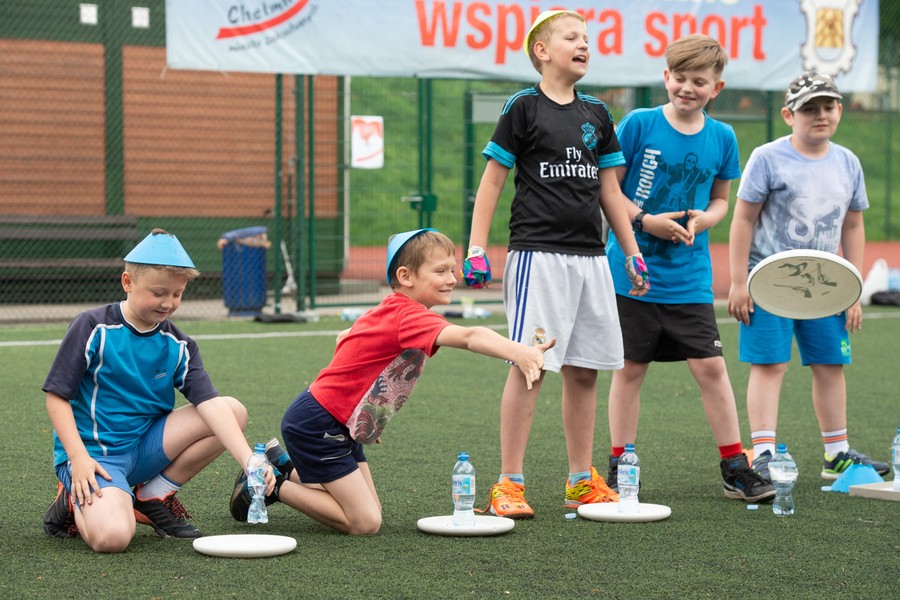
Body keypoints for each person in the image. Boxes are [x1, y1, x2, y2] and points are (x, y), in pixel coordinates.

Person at [228, 228, 555, 534]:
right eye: (440, 271)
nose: (452, 279)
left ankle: (281, 466)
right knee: (365, 522)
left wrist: (365, 413)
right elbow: (469, 336)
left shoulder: (394, 310)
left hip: (333, 423)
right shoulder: (408, 315)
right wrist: (521, 352)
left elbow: (346, 338)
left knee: (365, 506)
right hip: (318, 425)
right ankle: (269, 484)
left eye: (452, 270)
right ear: (405, 276)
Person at [462, 10, 651, 519]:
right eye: (571, 37)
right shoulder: (523, 106)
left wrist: (631, 252)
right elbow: (493, 182)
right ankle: (509, 483)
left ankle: (579, 481)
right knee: (530, 367)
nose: (583, 44)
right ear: (542, 51)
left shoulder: (598, 113)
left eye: (587, 39)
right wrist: (476, 247)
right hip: (537, 258)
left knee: (586, 371)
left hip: (591, 260)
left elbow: (611, 191)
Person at [603, 34, 774, 503]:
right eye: (679, 78)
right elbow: (609, 191)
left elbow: (722, 199)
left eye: (699, 81)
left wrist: (706, 218)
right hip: (632, 273)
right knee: (630, 370)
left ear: (715, 87)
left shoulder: (723, 136)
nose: (687, 88)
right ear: (666, 78)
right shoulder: (638, 124)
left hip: (689, 279)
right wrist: (645, 222)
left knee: (712, 369)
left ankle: (734, 466)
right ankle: (622, 464)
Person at [41, 229, 274, 553]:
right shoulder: (93, 327)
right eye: (158, 292)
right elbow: (57, 396)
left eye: (177, 294)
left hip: (146, 448)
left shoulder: (179, 344)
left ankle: (151, 495)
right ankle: (72, 498)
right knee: (113, 538)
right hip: (94, 456)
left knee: (231, 410)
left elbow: (209, 403)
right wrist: (77, 457)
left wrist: (249, 460)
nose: (168, 303)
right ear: (127, 282)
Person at [727, 71, 889, 481]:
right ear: (788, 114)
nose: (821, 115)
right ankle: (763, 453)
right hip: (770, 282)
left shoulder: (848, 162)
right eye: (810, 108)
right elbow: (743, 219)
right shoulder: (767, 157)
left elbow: (853, 226)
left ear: (839, 109)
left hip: (826, 285)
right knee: (770, 365)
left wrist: (853, 289)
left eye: (829, 106)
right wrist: (738, 281)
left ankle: (836, 453)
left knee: (831, 363)